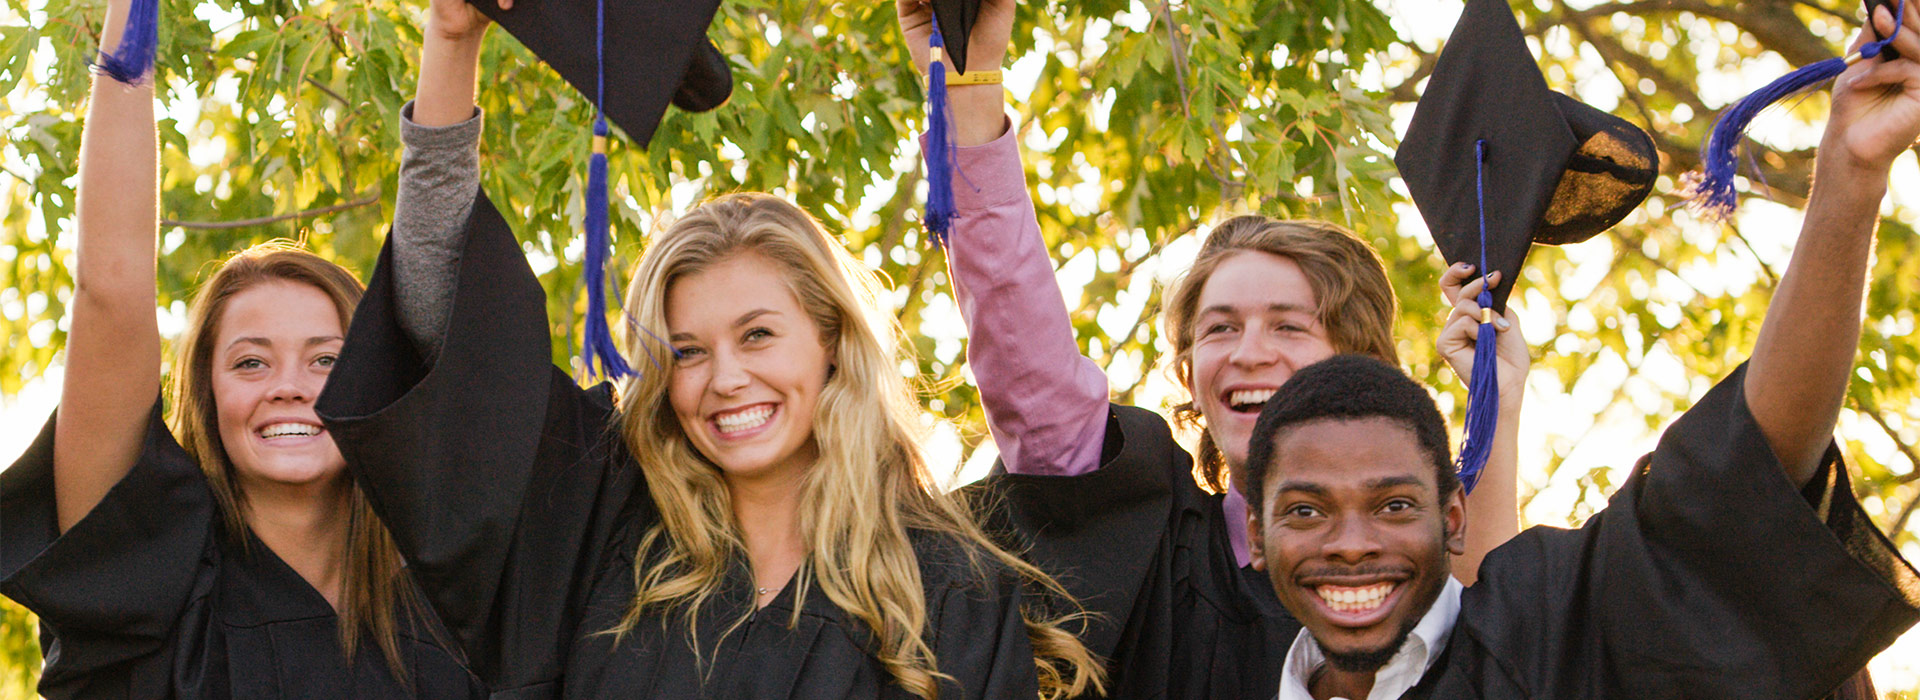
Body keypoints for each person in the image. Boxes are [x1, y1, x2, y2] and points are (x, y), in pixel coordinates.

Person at [310, 1, 1104, 697]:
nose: (726, 378)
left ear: (831, 340)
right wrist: (452, 40)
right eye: (686, 352)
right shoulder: (604, 538)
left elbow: (1044, 398)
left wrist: (971, 92)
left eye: (758, 334)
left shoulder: (946, 596)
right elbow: (449, 326)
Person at [1231, 0, 1920, 696]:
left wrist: (1849, 173)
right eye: (1307, 510)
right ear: (1255, 534)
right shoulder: (1208, 666)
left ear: (1453, 519)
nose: (1353, 544)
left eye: (1396, 506)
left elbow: (1741, 471)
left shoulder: (1544, 637)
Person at [897, 0, 1524, 696]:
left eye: (1289, 326)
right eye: (1220, 328)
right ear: (1190, 375)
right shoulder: (1145, 529)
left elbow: (1492, 636)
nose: (1248, 351)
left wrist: (1497, 396)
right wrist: (972, 90)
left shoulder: (1391, 557)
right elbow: (1030, 366)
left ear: (1356, 366)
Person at [0, 1, 482, 697]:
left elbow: (440, 287)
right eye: (251, 361)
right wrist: (132, 18)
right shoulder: (148, 589)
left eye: (327, 361)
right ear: (206, 392)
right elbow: (111, 288)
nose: (291, 386)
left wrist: (452, 39)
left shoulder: (446, 624)